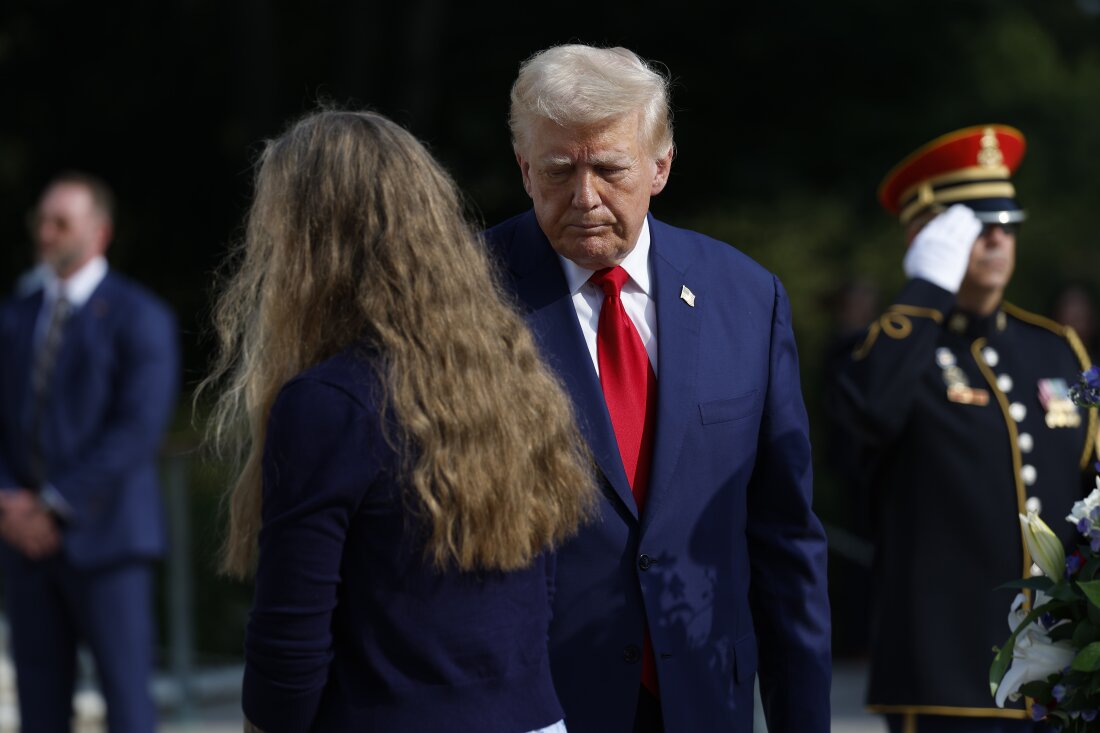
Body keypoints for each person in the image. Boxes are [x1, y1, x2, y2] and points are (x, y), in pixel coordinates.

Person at [201, 108, 599, 733]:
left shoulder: (328, 403)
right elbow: (540, 587)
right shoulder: (511, 371)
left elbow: (291, 641)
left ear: (311, 244)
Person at [483, 44, 832, 733]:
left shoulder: (744, 297)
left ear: (660, 166)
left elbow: (784, 539)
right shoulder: (467, 294)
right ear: (525, 170)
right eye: (558, 171)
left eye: (609, 169)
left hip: (704, 698)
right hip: (532, 704)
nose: (584, 197)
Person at [830, 124, 1098, 733]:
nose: (1000, 238)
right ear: (930, 235)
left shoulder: (1059, 351)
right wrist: (924, 290)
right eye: (979, 226)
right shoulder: (893, 352)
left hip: (1060, 680)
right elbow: (865, 415)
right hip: (946, 676)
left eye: (1009, 223)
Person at [0, 171, 180, 732]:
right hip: (25, 549)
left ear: (98, 233)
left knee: (127, 706)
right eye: (42, 221)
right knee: (39, 708)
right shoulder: (15, 316)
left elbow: (136, 430)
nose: (46, 233)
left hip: (109, 545)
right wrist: (8, 501)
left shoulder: (139, 316)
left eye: (61, 222)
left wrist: (52, 505)